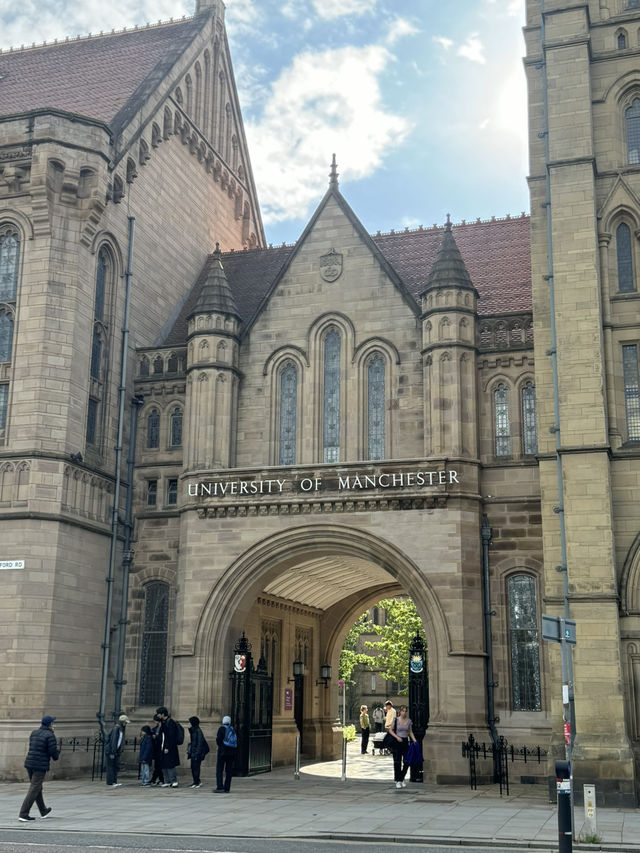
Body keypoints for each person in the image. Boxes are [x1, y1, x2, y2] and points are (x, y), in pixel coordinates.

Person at [18, 714, 59, 822]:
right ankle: (23, 813)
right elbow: (52, 752)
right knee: (34, 788)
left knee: (37, 787)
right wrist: (57, 754)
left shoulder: (34, 733)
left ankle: (43, 810)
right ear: (50, 724)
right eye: (52, 723)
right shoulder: (50, 735)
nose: (53, 725)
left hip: (30, 763)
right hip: (40, 765)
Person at [388, 704, 416, 789]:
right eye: (403, 711)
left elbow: (410, 732)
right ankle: (398, 780)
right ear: (400, 712)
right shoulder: (396, 720)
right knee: (397, 762)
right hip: (397, 742)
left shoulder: (409, 721)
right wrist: (397, 737)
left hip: (405, 742)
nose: (404, 712)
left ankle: (401, 777)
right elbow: (390, 730)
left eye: (405, 711)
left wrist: (414, 740)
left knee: (407, 761)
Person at [156, 706, 180, 787]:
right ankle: (167, 781)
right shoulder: (164, 722)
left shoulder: (170, 722)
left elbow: (171, 736)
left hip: (169, 747)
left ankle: (173, 781)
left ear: (163, 714)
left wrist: (167, 747)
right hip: (163, 746)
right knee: (163, 764)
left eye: (159, 714)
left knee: (170, 764)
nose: (158, 716)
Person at [105, 713, 130, 787]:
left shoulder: (121, 730)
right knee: (111, 767)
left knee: (115, 767)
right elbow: (114, 741)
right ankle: (110, 781)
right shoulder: (116, 729)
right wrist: (112, 752)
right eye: (125, 722)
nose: (126, 724)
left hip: (116, 751)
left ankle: (114, 781)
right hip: (111, 751)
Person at [214, 715, 237, 793]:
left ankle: (220, 787)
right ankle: (227, 788)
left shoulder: (221, 729)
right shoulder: (232, 729)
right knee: (229, 771)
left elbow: (218, 740)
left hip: (222, 752)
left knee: (219, 770)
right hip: (231, 753)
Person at [187, 716, 210, 788]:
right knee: (193, 767)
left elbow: (200, 743)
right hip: (194, 752)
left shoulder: (198, 731)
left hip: (196, 753)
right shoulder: (194, 730)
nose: (189, 724)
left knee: (196, 768)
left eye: (190, 722)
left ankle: (197, 782)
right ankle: (196, 781)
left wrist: (197, 753)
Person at [150, 714, 164, 785]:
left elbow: (162, 739)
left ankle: (155, 779)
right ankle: (159, 779)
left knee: (159, 766)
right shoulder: (155, 728)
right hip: (156, 749)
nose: (155, 722)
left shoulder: (163, 728)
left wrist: (156, 737)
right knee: (157, 765)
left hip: (161, 749)